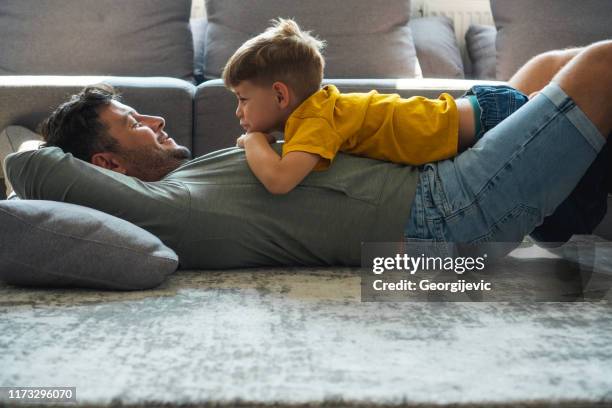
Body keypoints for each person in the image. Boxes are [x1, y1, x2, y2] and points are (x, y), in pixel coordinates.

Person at [4, 40, 612, 269]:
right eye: (133, 122)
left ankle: (566, 208)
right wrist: (51, 142)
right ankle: (567, 206)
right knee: (600, 65)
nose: (156, 120)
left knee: (551, 68)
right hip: (448, 215)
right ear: (106, 166)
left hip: (440, 183)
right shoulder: (168, 208)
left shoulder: (186, 178)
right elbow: (29, 162)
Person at [224, 18, 530, 194]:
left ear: (280, 95)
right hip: (482, 111)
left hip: (489, 120)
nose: (238, 112)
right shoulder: (319, 111)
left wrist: (253, 141)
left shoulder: (315, 119)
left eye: (242, 99)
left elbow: (279, 181)